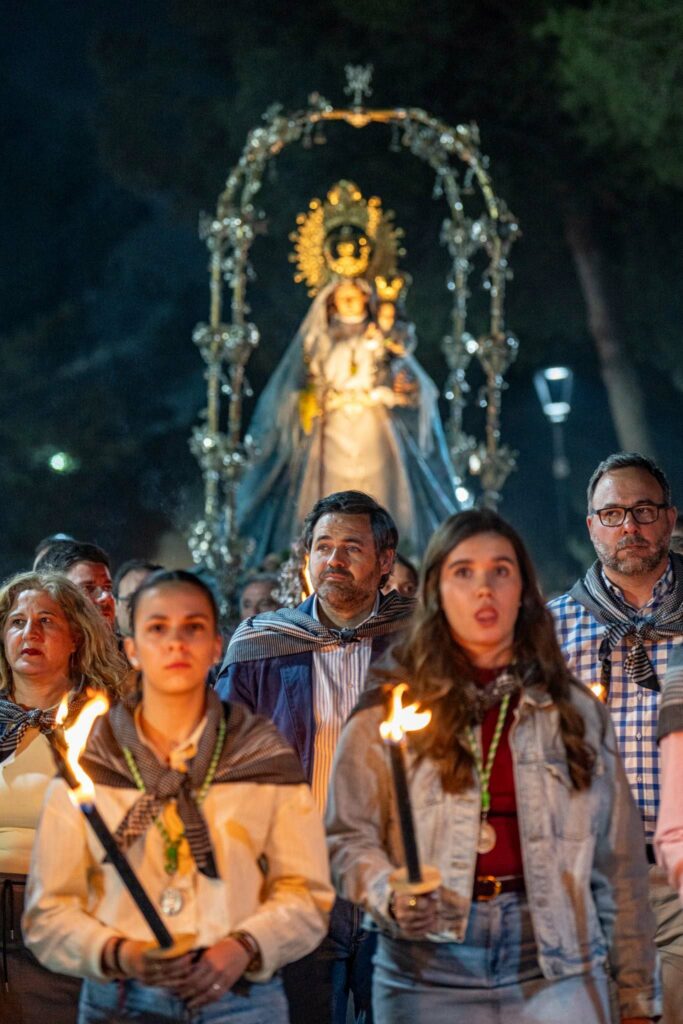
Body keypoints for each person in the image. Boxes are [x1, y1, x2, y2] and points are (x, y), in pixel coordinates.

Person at [327, 508, 659, 1024]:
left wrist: (637, 998)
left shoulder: (573, 710)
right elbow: (346, 836)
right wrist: (389, 893)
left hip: (554, 959)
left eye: (500, 571)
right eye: (464, 572)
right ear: (437, 589)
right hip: (429, 965)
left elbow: (618, 867)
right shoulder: (392, 704)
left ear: (523, 589)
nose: (484, 589)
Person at [23, 569, 333, 1024]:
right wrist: (120, 952)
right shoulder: (95, 758)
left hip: (240, 999)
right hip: (122, 1000)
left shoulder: (260, 753)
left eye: (193, 628)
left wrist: (243, 946)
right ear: (131, 648)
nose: (175, 644)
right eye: (156, 628)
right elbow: (49, 909)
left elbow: (305, 892)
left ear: (215, 647)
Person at [216, 491, 415, 1024]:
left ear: (385, 560)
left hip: (394, 874)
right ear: (306, 556)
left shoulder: (421, 640)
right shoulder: (262, 644)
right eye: (323, 546)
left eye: (352, 547)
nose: (335, 560)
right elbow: (224, 762)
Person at [549, 451, 683, 1023]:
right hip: (586, 882)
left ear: (670, 519)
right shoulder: (550, 629)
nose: (628, 525)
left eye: (643, 510)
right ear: (591, 527)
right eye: (612, 514)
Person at [235, 277, 457, 565]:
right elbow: (298, 388)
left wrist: (405, 388)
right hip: (333, 427)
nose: (350, 301)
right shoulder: (320, 339)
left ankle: (393, 559)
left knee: (381, 489)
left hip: (373, 425)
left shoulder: (383, 336)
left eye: (356, 295)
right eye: (343, 295)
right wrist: (308, 399)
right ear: (331, 300)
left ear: (367, 299)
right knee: (329, 493)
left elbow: (410, 383)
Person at [0, 570, 126, 1023]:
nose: (28, 633)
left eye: (46, 621)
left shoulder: (106, 721)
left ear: (75, 637)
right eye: (16, 622)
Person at [35, 540, 116, 630]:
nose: (105, 597)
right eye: (88, 588)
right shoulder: (33, 642)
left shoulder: (130, 644)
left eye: (107, 587)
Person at [112, 558, 163, 636]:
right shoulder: (100, 647)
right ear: (115, 605)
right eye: (131, 599)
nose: (139, 607)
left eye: (148, 599)